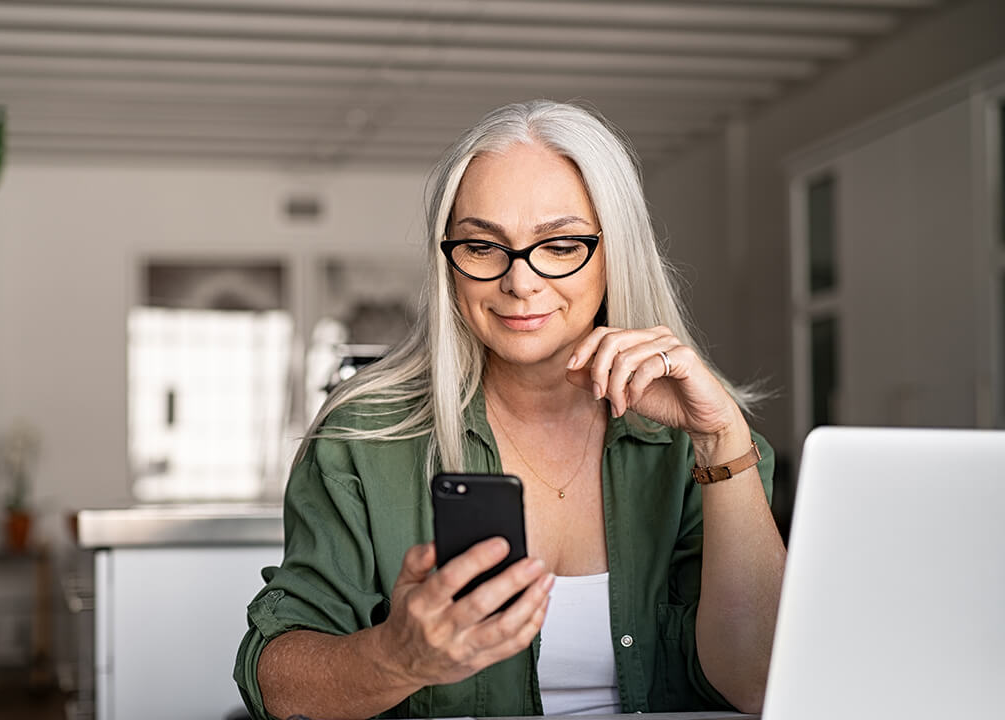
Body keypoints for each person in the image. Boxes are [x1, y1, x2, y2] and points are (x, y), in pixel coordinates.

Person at [234, 99, 786, 719]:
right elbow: (275, 682)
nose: (520, 282)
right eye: (482, 246)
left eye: (558, 245)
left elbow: (761, 683)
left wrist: (721, 443)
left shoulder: (704, 444)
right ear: (449, 264)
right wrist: (396, 658)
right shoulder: (364, 437)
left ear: (615, 251)